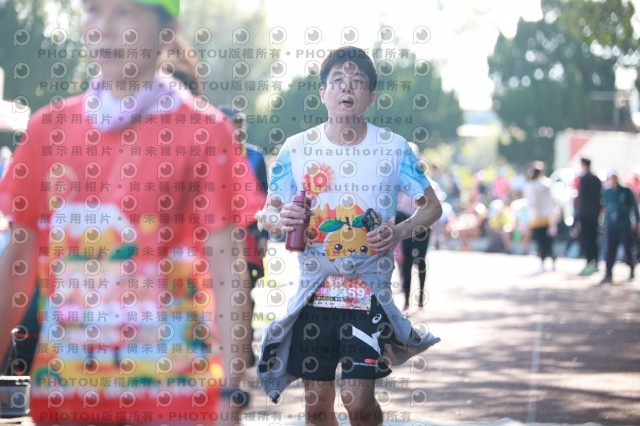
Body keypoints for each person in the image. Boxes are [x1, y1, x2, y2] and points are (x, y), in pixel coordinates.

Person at [0, 1, 264, 424]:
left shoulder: (206, 131)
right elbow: (18, 258)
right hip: (71, 392)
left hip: (175, 395)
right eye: (93, 9)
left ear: (167, 31)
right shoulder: (47, 128)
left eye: (124, 11)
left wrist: (232, 388)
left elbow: (226, 268)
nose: (103, 26)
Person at [256, 46, 443, 426]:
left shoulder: (393, 147)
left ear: (371, 97)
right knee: (316, 406)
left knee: (357, 401)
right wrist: (279, 218)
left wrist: (399, 231)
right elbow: (268, 212)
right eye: (338, 81)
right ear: (322, 92)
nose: (347, 87)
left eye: (357, 82)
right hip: (314, 293)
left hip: (368, 293)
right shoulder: (296, 149)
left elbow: (432, 208)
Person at [219, 104, 269, 366]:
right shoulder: (208, 154)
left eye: (239, 126)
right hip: (216, 236)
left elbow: (265, 200)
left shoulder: (255, 156)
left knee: (245, 292)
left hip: (248, 237)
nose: (235, 131)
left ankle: (245, 350)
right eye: (230, 125)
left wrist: (263, 235)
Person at [396, 143, 431, 312]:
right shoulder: (399, 177)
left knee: (420, 261)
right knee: (406, 263)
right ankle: (407, 300)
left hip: (422, 224)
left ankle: (421, 298)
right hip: (405, 223)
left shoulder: (424, 179)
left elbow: (433, 207)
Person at [600, 170, 639, 284]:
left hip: (624, 225)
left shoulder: (626, 191)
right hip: (611, 225)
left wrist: (637, 221)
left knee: (628, 248)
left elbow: (634, 207)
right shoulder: (607, 192)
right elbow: (604, 207)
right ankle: (608, 272)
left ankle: (631, 269)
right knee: (610, 250)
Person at [523, 161, 557, 274]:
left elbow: (530, 203)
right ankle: (552, 263)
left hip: (536, 218)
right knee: (548, 243)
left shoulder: (531, 185)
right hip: (546, 217)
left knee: (540, 243)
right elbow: (552, 203)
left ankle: (543, 264)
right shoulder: (546, 184)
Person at [576, 157, 602, 276]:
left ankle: (589, 262)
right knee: (594, 238)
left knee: (587, 239)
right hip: (595, 214)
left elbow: (582, 196)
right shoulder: (596, 178)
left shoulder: (585, 178)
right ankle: (595, 262)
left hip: (586, 214)